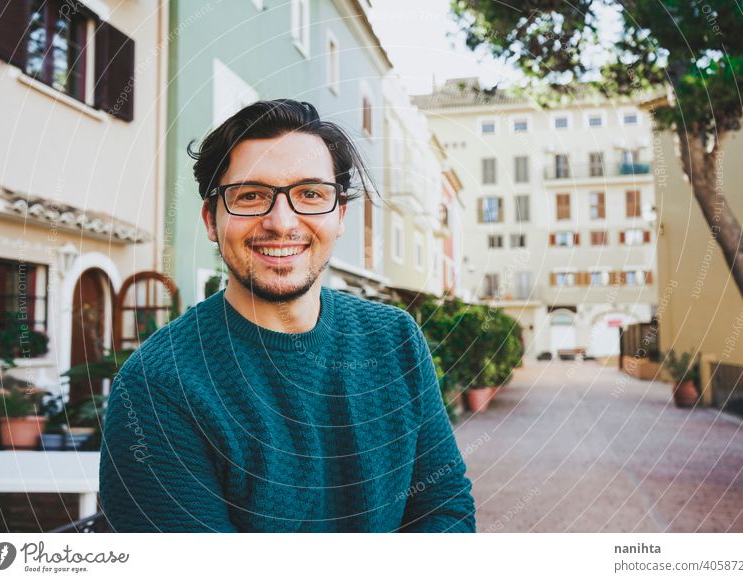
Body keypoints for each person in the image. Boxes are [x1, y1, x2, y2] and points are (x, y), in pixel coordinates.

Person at [99, 99, 476, 532]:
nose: (281, 222)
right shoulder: (158, 385)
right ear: (210, 219)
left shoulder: (394, 338)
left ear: (340, 216)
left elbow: (444, 509)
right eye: (252, 195)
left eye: (310, 194)